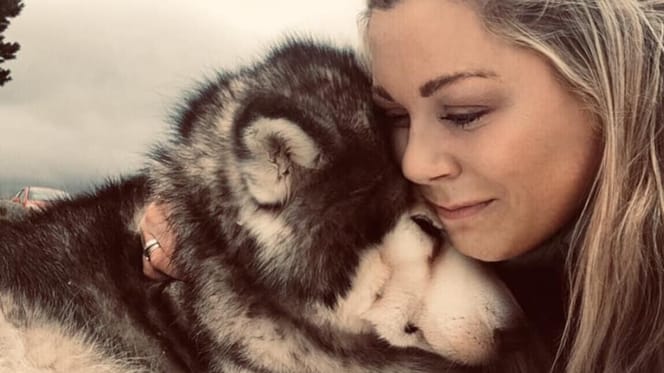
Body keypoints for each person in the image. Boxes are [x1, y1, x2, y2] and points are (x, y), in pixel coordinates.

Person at [139, 0, 664, 371]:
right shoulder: (503, 234)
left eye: (464, 113)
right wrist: (203, 228)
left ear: (608, 85)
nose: (413, 163)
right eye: (395, 114)